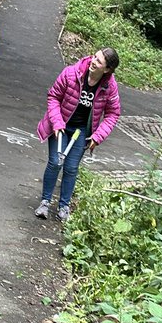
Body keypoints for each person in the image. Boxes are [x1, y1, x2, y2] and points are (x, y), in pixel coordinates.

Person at [35, 48, 121, 222]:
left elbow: (113, 114)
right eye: (94, 57)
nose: (93, 61)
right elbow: (53, 97)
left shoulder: (109, 86)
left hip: (81, 131)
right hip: (60, 124)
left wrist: (98, 137)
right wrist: (57, 123)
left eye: (98, 61)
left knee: (71, 167)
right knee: (54, 162)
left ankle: (63, 206)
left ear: (106, 70)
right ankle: (45, 202)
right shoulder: (71, 73)